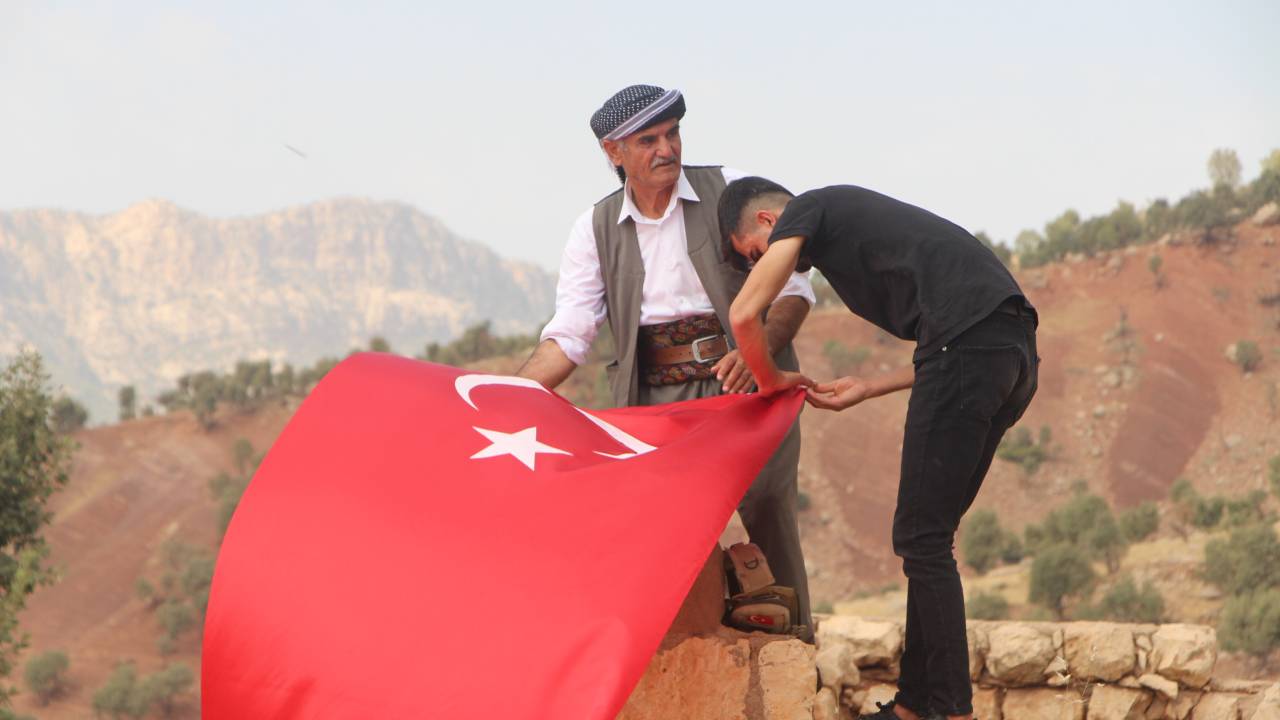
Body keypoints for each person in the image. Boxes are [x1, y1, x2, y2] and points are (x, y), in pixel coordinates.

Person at [720, 177, 1039, 720]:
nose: (758, 266)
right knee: (928, 540)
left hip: (971, 353)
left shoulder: (810, 209)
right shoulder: (844, 227)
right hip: (1012, 356)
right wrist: (870, 387)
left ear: (769, 224)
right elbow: (967, 336)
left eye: (753, 254)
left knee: (921, 540)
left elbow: (744, 314)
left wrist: (769, 380)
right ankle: (915, 705)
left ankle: (952, 712)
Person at [515, 86, 817, 633]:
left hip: (748, 385)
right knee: (665, 533)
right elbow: (570, 335)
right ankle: (680, 659)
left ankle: (797, 658)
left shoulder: (731, 189)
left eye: (672, 133)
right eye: (648, 140)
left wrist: (758, 352)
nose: (667, 149)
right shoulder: (594, 230)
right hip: (655, 401)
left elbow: (796, 288)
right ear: (614, 152)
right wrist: (509, 397)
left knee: (770, 513)